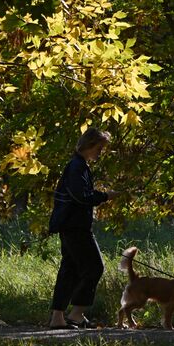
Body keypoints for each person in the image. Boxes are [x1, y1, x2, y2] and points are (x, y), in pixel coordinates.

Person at [48, 127, 120, 329]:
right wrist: (105, 196)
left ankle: (57, 318)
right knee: (94, 267)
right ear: (88, 145)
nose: (100, 152)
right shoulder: (76, 167)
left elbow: (81, 194)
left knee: (69, 270)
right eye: (99, 148)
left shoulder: (80, 166)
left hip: (72, 225)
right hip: (75, 226)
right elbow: (81, 196)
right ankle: (77, 314)